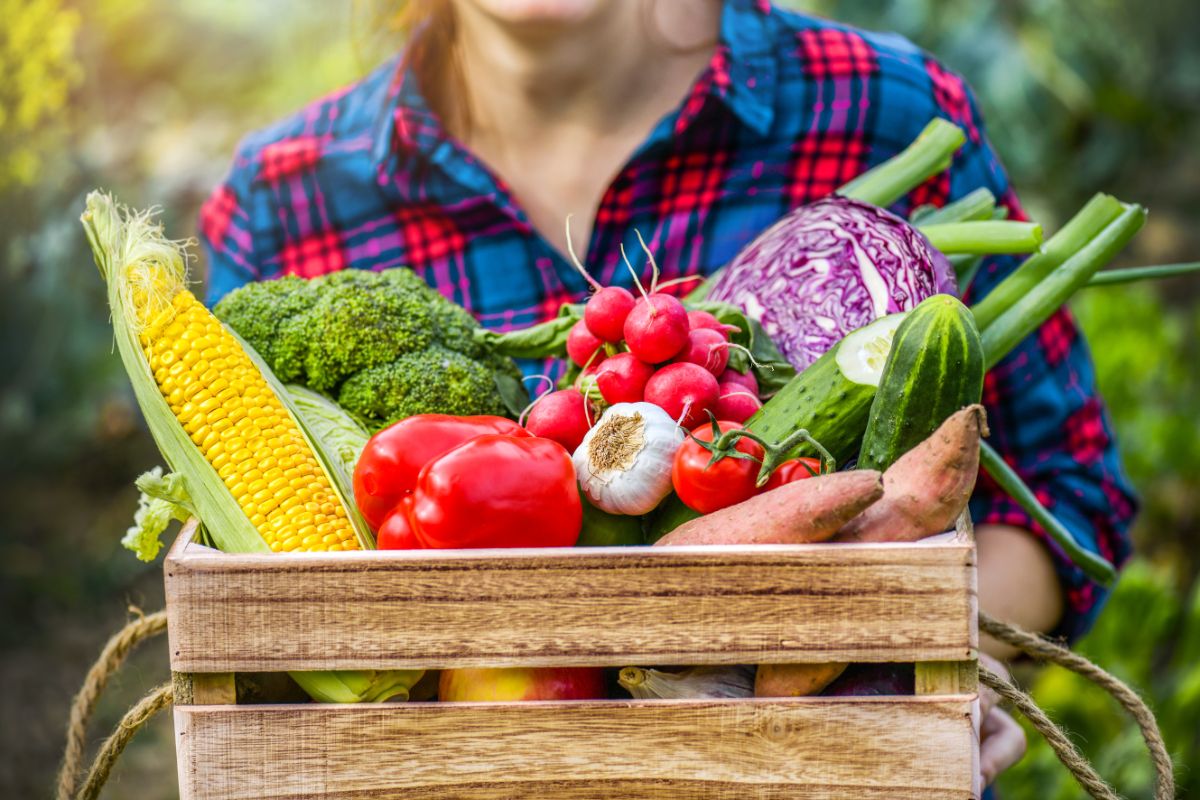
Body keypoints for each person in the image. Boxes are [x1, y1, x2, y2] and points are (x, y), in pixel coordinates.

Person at [199, 0, 1135, 789]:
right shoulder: (284, 199)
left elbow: (1066, 487)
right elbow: (238, 607)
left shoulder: (879, 108)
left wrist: (921, 669)